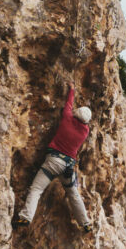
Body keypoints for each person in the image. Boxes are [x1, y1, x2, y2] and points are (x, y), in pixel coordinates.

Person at [15, 83, 92, 232]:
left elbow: (69, 104)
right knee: (73, 194)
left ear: (76, 114)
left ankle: (25, 217)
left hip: (53, 161)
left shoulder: (67, 119)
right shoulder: (85, 132)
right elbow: (80, 117)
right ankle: (85, 223)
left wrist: (72, 90)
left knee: (36, 189)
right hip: (68, 168)